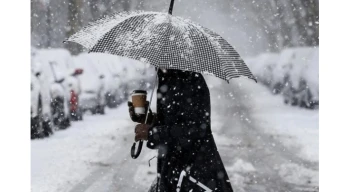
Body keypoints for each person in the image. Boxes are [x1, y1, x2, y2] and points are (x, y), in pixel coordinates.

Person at [128, 69, 233, 192]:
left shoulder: (190, 81)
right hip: (173, 169)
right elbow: (173, 121)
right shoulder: (168, 77)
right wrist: (148, 118)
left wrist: (153, 133)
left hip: (192, 170)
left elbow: (195, 130)